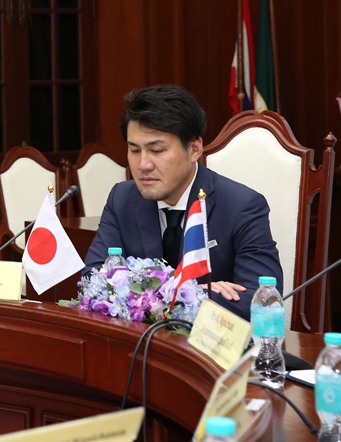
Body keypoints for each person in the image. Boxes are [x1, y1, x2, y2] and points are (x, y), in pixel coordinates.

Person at [82, 85, 282, 320]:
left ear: (195, 149)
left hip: (212, 351)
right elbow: (94, 282)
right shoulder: (122, 198)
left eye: (156, 150)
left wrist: (141, 291)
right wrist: (191, 291)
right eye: (134, 150)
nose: (143, 164)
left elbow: (262, 302)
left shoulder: (242, 206)